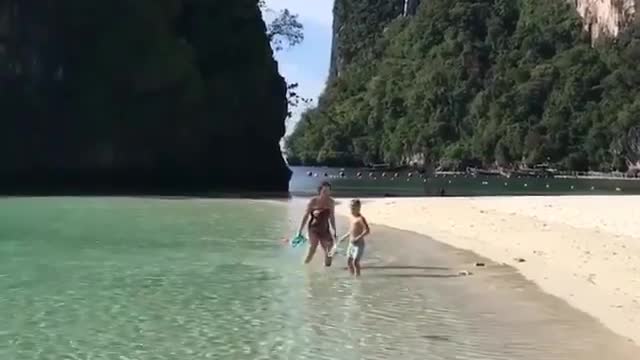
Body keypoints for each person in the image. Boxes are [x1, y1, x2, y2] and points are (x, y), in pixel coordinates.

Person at [297, 181, 337, 266]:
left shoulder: (331, 202)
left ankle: (326, 271)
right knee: (312, 248)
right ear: (320, 191)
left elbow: (332, 217)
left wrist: (334, 230)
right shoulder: (313, 201)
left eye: (328, 191)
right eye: (324, 191)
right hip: (313, 228)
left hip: (325, 228)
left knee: (329, 250)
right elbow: (306, 216)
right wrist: (299, 231)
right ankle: (303, 267)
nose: (326, 193)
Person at [335, 199, 370, 277]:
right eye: (351, 207)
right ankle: (352, 276)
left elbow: (367, 231)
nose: (352, 209)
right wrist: (344, 237)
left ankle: (358, 277)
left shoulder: (361, 219)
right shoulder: (351, 217)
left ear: (359, 208)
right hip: (351, 243)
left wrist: (358, 238)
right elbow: (351, 230)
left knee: (355, 262)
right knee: (348, 261)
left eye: (354, 207)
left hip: (359, 244)